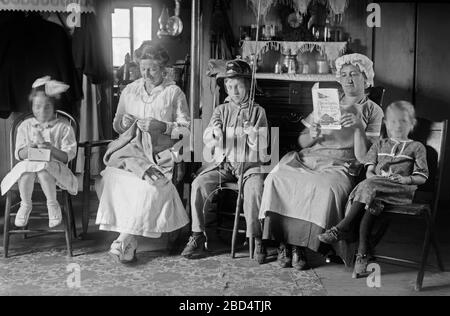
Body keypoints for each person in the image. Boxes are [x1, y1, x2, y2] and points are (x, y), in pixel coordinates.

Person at [259, 53, 384, 270]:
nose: (348, 79)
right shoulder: (328, 101)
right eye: (343, 75)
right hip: (310, 157)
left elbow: (365, 157)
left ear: (366, 78)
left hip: (341, 164)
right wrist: (314, 133)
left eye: (354, 74)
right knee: (277, 177)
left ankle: (300, 245)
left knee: (325, 188)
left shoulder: (373, 110)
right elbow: (302, 141)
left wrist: (358, 127)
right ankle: (285, 242)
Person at [95, 42, 191, 263]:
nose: (146, 74)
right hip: (132, 152)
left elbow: (186, 130)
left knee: (151, 187)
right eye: (143, 68)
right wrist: (123, 122)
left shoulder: (173, 92)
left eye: (152, 69)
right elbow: (118, 127)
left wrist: (162, 126)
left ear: (164, 69)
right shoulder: (131, 90)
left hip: (161, 153)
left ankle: (124, 239)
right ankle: (129, 241)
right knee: (110, 179)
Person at [318, 101, 428, 278]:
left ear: (412, 124)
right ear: (386, 123)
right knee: (371, 204)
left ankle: (342, 228)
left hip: (400, 190)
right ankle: (363, 255)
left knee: (368, 187)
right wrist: (375, 179)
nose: (397, 126)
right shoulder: (379, 145)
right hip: (376, 192)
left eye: (403, 121)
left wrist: (406, 178)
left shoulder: (417, 147)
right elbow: (369, 171)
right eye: (393, 121)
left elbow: (422, 177)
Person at [181, 59, 269, 263]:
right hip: (224, 165)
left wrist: (253, 133)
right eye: (229, 86)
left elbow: (264, 147)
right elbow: (209, 134)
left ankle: (256, 239)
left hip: (249, 166)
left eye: (238, 85)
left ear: (248, 85)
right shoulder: (221, 109)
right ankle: (197, 235)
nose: (234, 90)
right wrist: (215, 132)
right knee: (198, 184)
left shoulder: (258, 111)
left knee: (255, 190)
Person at [1, 76, 78, 228]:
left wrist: (52, 149)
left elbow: (67, 156)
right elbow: (19, 154)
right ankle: (25, 204)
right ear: (32, 107)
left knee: (43, 170)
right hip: (29, 167)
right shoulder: (26, 126)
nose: (42, 111)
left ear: (54, 107)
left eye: (47, 107)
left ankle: (52, 203)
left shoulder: (63, 127)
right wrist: (30, 146)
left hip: (55, 169)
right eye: (37, 106)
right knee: (26, 171)